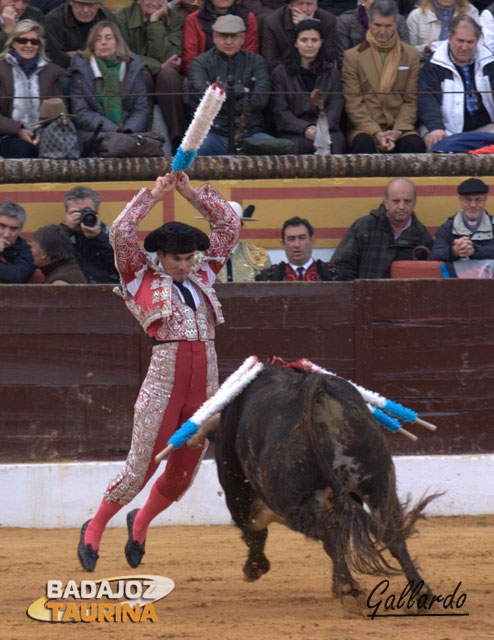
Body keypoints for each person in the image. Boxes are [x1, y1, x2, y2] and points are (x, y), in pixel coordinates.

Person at [77, 171, 240, 572]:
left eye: (189, 258)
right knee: (140, 470)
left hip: (205, 388)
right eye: (176, 259)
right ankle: (94, 527)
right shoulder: (138, 276)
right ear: (160, 257)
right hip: (164, 384)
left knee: (183, 474)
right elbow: (121, 232)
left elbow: (228, 224)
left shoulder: (203, 274)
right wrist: (154, 194)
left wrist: (189, 192)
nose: (185, 265)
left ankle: (142, 522)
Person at [341, 0, 425, 153]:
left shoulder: (410, 55)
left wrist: (397, 131)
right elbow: (353, 102)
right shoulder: (353, 56)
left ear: (396, 25)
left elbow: (411, 100)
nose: (382, 31)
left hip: (399, 126)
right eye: (377, 25)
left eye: (388, 26)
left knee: (414, 144)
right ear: (370, 23)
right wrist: (375, 132)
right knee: (363, 143)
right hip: (365, 128)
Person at [187, 14, 272, 156]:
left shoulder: (257, 61)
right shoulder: (200, 63)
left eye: (234, 37)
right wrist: (242, 90)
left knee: (277, 151)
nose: (228, 42)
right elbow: (204, 100)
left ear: (243, 38)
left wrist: (220, 93)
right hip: (214, 132)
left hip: (250, 132)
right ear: (214, 37)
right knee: (196, 148)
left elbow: (261, 100)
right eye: (223, 36)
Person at [68, 20, 149, 157]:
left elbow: (140, 109)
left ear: (118, 41)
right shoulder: (80, 70)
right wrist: (114, 131)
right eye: (98, 39)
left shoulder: (133, 67)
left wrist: (128, 132)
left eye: (108, 38)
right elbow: (81, 112)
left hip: (130, 132)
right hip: (94, 134)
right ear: (92, 44)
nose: (103, 42)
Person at [114, 0, 185, 153]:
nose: (154, 2)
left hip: (164, 76)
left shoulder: (176, 19)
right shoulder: (121, 17)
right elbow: (125, 54)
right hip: (133, 73)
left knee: (169, 76)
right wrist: (158, 66)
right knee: (142, 76)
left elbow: (168, 55)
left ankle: (178, 141)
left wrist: (154, 22)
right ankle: (142, 138)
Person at [329, 177, 433, 279]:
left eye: (407, 201)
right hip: (364, 294)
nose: (402, 206)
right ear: (386, 203)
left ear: (414, 203)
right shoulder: (364, 227)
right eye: (396, 201)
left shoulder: (422, 237)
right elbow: (341, 268)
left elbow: (427, 279)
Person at [418, 16, 494, 151]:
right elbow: (427, 99)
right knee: (438, 147)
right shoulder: (434, 63)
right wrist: (435, 127)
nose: (464, 47)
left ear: (477, 41)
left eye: (470, 42)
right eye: (460, 41)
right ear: (449, 37)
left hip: (486, 128)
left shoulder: (489, 60)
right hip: (445, 129)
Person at [270, 18, 346, 154]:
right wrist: (305, 128)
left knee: (336, 143)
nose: (309, 45)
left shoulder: (332, 73)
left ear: (321, 43)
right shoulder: (280, 72)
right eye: (304, 40)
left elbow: (335, 107)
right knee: (298, 147)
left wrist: (320, 129)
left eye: (314, 40)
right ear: (295, 43)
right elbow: (280, 110)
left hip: (326, 129)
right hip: (294, 131)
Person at [0, 19, 66, 158]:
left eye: (34, 42)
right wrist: (18, 130)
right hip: (6, 136)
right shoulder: (1, 69)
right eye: (23, 40)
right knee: (24, 150)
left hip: (44, 135)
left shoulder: (51, 72)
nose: (28, 45)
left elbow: (60, 110)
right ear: (12, 42)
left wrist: (45, 133)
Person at [431, 178, 494, 271]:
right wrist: (454, 251)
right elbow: (435, 254)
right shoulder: (447, 227)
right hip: (454, 283)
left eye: (478, 200)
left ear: (485, 200)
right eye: (468, 200)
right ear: (460, 200)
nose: (473, 204)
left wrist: (475, 250)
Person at [60, 185, 119, 283]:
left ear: (97, 212)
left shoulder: (110, 235)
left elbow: (123, 266)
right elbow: (48, 258)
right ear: (67, 214)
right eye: (75, 212)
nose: (82, 216)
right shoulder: (58, 236)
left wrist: (98, 237)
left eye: (87, 211)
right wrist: (68, 229)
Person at [181, 0, 258, 75]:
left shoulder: (248, 18)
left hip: (240, 76)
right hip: (204, 76)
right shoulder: (193, 19)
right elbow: (189, 60)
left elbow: (250, 55)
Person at [262, 0, 340, 71]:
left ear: (316, 5)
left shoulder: (328, 19)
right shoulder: (273, 21)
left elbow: (329, 56)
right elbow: (271, 62)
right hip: (286, 73)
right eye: (299, 3)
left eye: (309, 4)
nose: (304, 9)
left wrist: (311, 26)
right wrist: (299, 30)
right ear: (290, 5)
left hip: (318, 71)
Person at [256, 215, 338, 280]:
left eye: (302, 238)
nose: (297, 245)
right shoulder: (268, 277)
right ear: (283, 244)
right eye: (291, 239)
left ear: (312, 240)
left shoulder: (334, 275)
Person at [44, 0, 115, 69]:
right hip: (65, 71)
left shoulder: (107, 18)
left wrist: (78, 56)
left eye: (91, 5)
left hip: (102, 68)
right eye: (80, 5)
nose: (85, 10)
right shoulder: (54, 20)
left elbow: (119, 50)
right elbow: (56, 57)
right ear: (70, 2)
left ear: (99, 5)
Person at [407, 0, 479, 62]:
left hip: (463, 66)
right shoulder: (416, 16)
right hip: (427, 69)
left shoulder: (471, 12)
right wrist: (426, 49)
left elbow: (480, 47)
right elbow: (407, 55)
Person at [216, 201, 271, 281]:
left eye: (232, 224)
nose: (227, 229)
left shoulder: (258, 255)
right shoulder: (201, 256)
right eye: (222, 224)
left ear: (241, 226)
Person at [338, 0, 409, 53]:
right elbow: (341, 56)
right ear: (362, 1)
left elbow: (405, 51)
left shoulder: (399, 20)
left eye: (388, 26)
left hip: (392, 67)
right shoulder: (347, 20)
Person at [0, 200, 36, 282]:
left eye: (13, 229)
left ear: (20, 230)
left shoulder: (27, 251)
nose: (6, 234)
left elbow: (17, 276)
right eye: (2, 226)